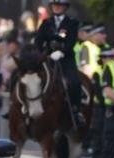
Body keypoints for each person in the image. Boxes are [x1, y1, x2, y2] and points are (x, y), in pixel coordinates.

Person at [33, 0, 85, 128]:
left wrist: (62, 51)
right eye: (55, 5)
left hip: (65, 59)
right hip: (49, 57)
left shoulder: (72, 23)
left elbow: (72, 41)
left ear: (65, 7)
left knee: (74, 82)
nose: (57, 7)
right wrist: (44, 53)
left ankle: (76, 110)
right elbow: (38, 41)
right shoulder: (46, 23)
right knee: (30, 78)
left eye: (59, 5)